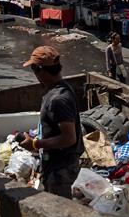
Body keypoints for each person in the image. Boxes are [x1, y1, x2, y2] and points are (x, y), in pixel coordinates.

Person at [19, 46, 84, 198]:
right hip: (57, 166)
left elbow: (69, 138)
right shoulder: (61, 89)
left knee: (61, 216)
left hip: (61, 170)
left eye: (33, 69)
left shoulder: (58, 99)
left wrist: (36, 144)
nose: (34, 74)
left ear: (40, 69)